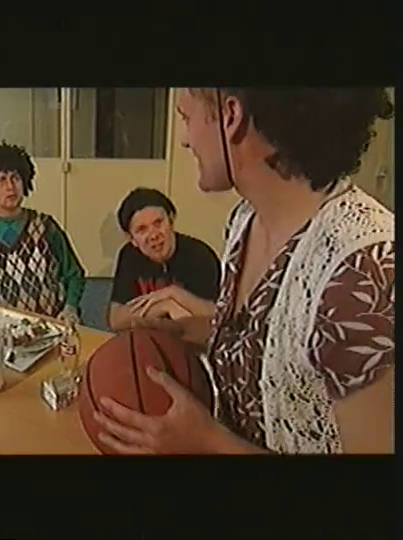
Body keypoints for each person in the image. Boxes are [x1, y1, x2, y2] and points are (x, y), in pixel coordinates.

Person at [94, 88, 395, 454]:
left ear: (231, 116)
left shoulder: (364, 270)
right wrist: (189, 330)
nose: (186, 140)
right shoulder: (244, 220)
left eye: (187, 118)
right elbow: (270, 345)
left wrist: (207, 441)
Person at [0, 141, 86, 321]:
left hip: (48, 324)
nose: (10, 187)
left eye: (15, 178)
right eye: (1, 180)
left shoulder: (46, 227)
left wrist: (70, 308)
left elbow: (74, 275)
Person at [107, 187, 221, 332]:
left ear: (171, 221)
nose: (154, 235)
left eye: (158, 223)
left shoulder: (199, 255)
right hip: (147, 339)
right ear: (132, 239)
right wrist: (165, 306)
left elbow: (216, 315)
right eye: (142, 229)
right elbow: (116, 319)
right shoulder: (129, 255)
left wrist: (174, 293)